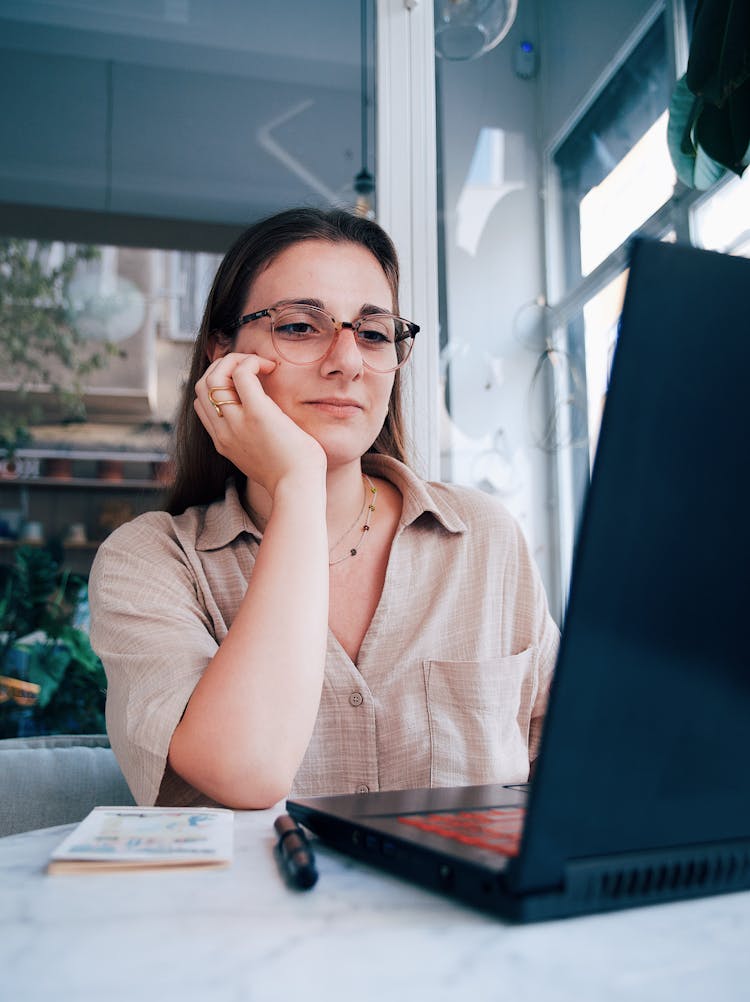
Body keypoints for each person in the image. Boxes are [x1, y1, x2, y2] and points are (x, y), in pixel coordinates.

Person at [89, 207, 559, 810]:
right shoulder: (151, 562)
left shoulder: (484, 538)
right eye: (299, 327)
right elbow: (246, 771)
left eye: (373, 332)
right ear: (221, 354)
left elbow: (578, 768)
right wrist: (297, 484)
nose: (348, 361)